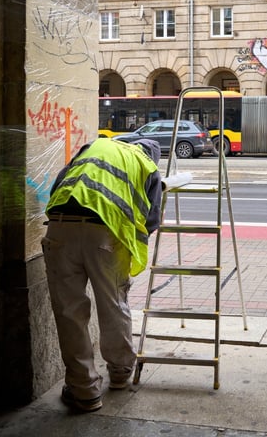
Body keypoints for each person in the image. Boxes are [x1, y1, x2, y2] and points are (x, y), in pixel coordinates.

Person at [42, 137, 162, 412]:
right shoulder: (147, 165)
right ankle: (120, 373)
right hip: (105, 234)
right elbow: (150, 220)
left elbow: (59, 185)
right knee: (113, 303)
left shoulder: (94, 147)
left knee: (69, 312)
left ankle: (84, 390)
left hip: (60, 227)